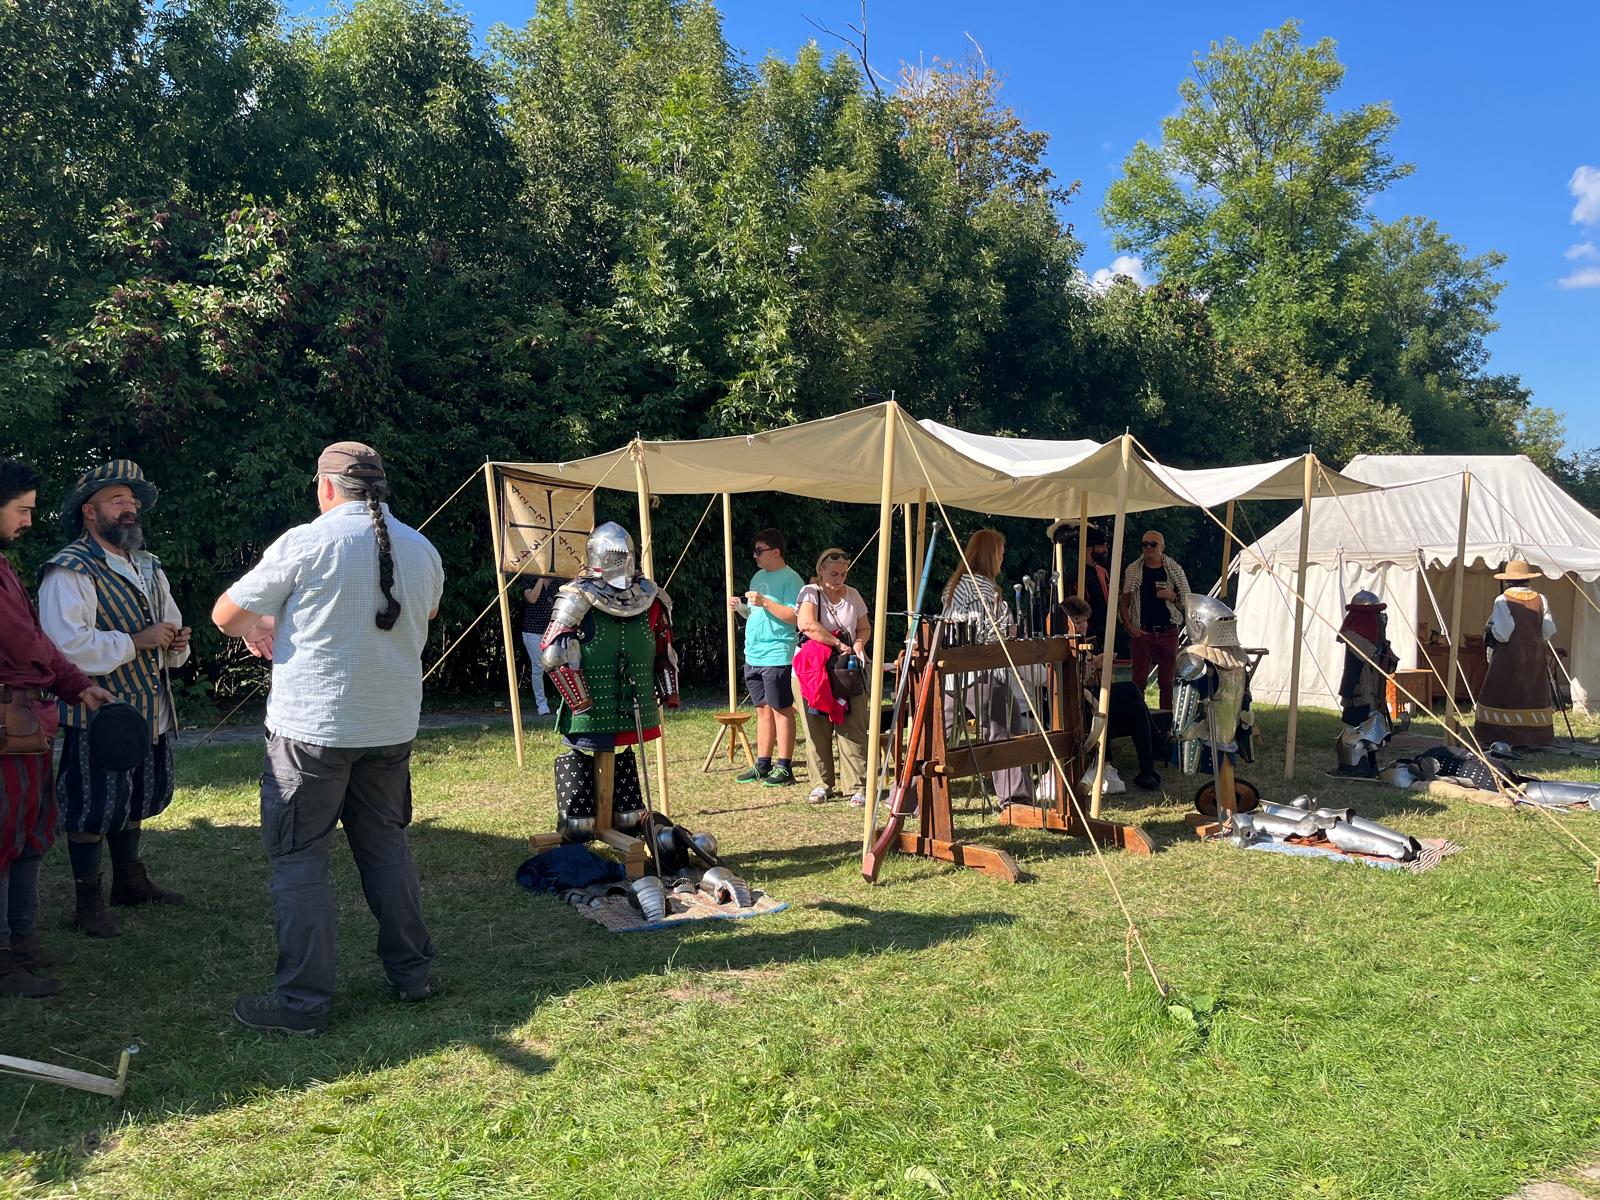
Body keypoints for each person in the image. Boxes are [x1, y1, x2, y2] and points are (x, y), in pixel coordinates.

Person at [212, 441, 445, 1034]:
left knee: (299, 859)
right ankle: (412, 974)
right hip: (390, 725)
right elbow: (424, 616)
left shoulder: (307, 541)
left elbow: (225, 614)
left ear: (326, 488)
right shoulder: (423, 549)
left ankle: (302, 1004)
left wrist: (262, 625)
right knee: (385, 847)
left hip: (311, 730)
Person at [39, 460, 190, 938]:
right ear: (90, 511)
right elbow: (65, 647)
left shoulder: (148, 566)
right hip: (97, 712)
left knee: (136, 796)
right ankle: (88, 904)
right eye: (117, 500)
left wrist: (175, 643)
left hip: (148, 709)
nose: (130, 508)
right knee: (92, 805)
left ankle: (129, 883)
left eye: (133, 500)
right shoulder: (70, 570)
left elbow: (166, 627)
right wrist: (138, 640)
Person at [0, 459, 116, 997]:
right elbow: (28, 642)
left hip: (26, 722)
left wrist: (75, 686)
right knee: (3, 838)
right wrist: (72, 681)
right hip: (6, 725)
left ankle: (22, 943)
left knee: (28, 835)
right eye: (21, 510)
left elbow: (34, 642)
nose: (28, 521)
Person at [540, 523, 679, 841]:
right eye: (614, 556)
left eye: (624, 556)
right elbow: (553, 653)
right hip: (590, 705)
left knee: (629, 813)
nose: (620, 564)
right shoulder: (577, 596)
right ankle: (584, 823)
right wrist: (580, 700)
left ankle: (623, 823)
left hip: (635, 703)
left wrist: (668, 692)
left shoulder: (651, 596)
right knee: (580, 824)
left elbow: (664, 649)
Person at [941, 528, 1029, 806]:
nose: (1003, 559)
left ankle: (907, 798)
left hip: (953, 676)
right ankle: (1017, 801)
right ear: (992, 555)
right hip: (983, 672)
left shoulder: (955, 584)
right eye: (1001, 554)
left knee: (936, 740)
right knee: (1006, 734)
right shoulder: (983, 587)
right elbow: (992, 632)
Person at [794, 548, 871, 805]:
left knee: (853, 725)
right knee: (816, 727)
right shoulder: (810, 592)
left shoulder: (854, 595)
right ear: (821, 570)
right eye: (834, 573)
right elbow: (806, 624)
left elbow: (864, 626)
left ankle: (857, 785)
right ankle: (820, 783)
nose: (839, 578)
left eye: (843, 573)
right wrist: (837, 645)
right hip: (814, 671)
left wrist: (859, 643)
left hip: (848, 668)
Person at [728, 527, 802, 787]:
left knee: (782, 709)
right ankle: (763, 763)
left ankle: (784, 767)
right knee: (762, 710)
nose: (755, 556)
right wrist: (742, 608)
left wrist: (765, 602)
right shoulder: (758, 576)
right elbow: (756, 614)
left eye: (759, 551)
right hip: (754, 653)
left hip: (777, 653)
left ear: (775, 552)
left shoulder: (792, 579)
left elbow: (795, 617)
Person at [1063, 597, 1161, 790]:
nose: (1083, 625)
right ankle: (1159, 743)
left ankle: (1148, 771)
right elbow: (1068, 685)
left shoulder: (1082, 644)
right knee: (1132, 688)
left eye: (1084, 621)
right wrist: (1091, 693)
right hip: (1079, 707)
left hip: (1093, 701)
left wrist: (1095, 664)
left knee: (1137, 708)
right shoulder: (1063, 648)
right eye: (1078, 622)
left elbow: (1087, 673)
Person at [1475, 560, 1557, 748]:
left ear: (1508, 581)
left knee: (1504, 693)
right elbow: (1548, 630)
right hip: (1534, 657)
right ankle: (1535, 736)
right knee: (1531, 693)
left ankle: (1502, 735)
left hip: (1508, 656)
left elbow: (1503, 633)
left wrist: (1491, 630)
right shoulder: (1541, 599)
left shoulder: (1503, 599)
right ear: (1528, 579)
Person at [1119, 529, 1190, 712]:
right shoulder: (1133, 570)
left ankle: (1165, 722)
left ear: (1162, 547)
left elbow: (1187, 600)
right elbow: (1124, 602)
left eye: (1153, 544)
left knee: (1167, 681)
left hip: (1168, 630)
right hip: (1143, 631)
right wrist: (1129, 627)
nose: (1148, 548)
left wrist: (1172, 596)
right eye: (1145, 544)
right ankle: (1140, 719)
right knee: (1139, 680)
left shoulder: (1173, 569)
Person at [1332, 590, 1399, 777]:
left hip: (1374, 689)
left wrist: (1386, 653)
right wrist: (1379, 650)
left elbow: (1387, 662)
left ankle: (1371, 765)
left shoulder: (1376, 637)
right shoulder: (1352, 635)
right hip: (1360, 688)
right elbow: (1368, 653)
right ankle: (1355, 766)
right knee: (1359, 729)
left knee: (1372, 725)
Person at [520, 574, 560, 717]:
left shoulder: (557, 583)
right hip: (532, 632)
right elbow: (532, 598)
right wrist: (541, 579)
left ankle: (565, 703)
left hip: (551, 632)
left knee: (559, 665)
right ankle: (542, 705)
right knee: (539, 667)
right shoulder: (529, 579)